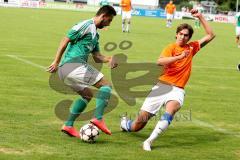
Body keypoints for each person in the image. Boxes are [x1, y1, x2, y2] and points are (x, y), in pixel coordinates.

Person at [120, 9, 215, 151]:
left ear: (189, 38)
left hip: (177, 90)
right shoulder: (170, 47)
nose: (182, 37)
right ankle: (126, 125)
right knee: (138, 125)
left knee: (170, 111)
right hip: (161, 87)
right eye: (181, 34)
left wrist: (200, 16)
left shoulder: (192, 47)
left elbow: (210, 35)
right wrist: (178, 57)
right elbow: (160, 61)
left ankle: (149, 141)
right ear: (176, 34)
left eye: (186, 35)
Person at [47, 5, 118, 137]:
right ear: (103, 16)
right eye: (109, 20)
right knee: (106, 85)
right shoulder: (85, 25)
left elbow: (97, 57)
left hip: (66, 71)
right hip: (72, 65)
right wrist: (56, 61)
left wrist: (109, 59)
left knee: (87, 95)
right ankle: (98, 118)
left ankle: (68, 125)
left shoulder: (95, 35)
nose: (109, 24)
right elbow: (65, 40)